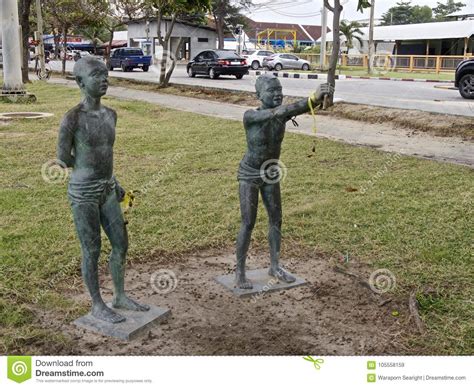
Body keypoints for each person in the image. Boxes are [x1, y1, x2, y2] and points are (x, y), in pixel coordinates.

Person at [57, 57, 149, 323]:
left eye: (105, 74)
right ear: (80, 82)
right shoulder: (72, 118)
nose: (104, 79)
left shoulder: (111, 115)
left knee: (121, 243)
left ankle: (119, 296)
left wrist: (112, 181)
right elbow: (63, 158)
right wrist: (87, 171)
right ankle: (97, 303)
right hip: (84, 192)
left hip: (108, 188)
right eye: (96, 75)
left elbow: (105, 153)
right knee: (92, 248)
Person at [235, 74, 333, 289]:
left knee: (276, 219)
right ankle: (240, 272)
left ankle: (275, 266)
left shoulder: (282, 114)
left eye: (280, 90)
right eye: (272, 91)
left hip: (271, 172)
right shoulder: (250, 116)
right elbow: (282, 111)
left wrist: (319, 99)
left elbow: (294, 110)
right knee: (248, 222)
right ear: (258, 95)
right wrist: (312, 98)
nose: (278, 94)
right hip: (250, 173)